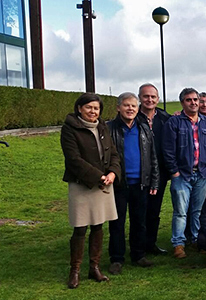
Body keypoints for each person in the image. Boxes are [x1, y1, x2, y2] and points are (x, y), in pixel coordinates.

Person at [60, 93, 120, 289]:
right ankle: (74, 271)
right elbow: (73, 159)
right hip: (82, 184)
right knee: (80, 228)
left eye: (96, 108)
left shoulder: (103, 127)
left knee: (98, 226)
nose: (93, 111)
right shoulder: (70, 128)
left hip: (104, 184)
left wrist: (112, 173)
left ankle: (94, 268)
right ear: (79, 108)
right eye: (89, 108)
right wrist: (98, 177)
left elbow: (113, 153)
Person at [163, 88, 206, 259]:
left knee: (198, 210)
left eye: (196, 99)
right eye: (189, 100)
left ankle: (196, 239)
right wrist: (174, 172)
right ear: (182, 103)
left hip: (203, 173)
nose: (194, 103)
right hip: (182, 174)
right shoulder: (174, 123)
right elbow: (168, 150)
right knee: (180, 211)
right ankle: (178, 244)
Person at [106, 92, 159, 275]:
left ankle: (138, 255)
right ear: (118, 107)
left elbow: (153, 157)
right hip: (119, 184)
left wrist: (154, 180)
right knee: (117, 223)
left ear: (138, 109)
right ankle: (117, 258)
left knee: (139, 222)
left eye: (133, 106)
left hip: (141, 183)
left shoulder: (144, 128)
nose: (130, 109)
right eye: (126, 105)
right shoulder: (109, 129)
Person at [137, 83, 171, 255]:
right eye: (146, 96)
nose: (149, 100)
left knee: (154, 210)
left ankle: (151, 243)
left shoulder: (165, 119)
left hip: (160, 173)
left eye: (153, 97)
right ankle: (138, 247)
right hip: (139, 173)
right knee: (139, 211)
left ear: (158, 99)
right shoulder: (133, 118)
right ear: (140, 98)